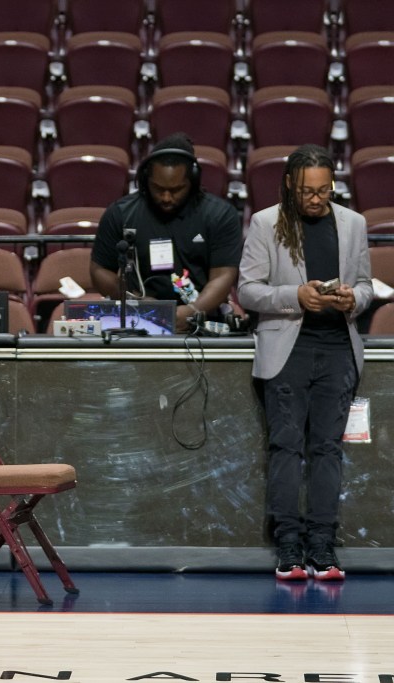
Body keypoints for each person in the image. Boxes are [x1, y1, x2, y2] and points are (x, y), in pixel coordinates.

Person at [237, 144, 372, 582]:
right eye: (306, 192)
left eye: (323, 190)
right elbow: (249, 291)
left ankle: (323, 545)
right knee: (286, 448)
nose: (316, 199)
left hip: (338, 347)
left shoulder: (353, 223)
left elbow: (368, 284)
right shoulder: (266, 222)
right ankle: (288, 547)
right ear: (290, 187)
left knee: (328, 450)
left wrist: (356, 297)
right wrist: (295, 296)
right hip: (287, 351)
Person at [90, 133, 243, 332]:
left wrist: (191, 310)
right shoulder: (121, 213)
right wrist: (136, 300)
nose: (166, 197)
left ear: (193, 181)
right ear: (146, 180)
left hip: (199, 321)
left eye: (177, 189)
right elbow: (99, 270)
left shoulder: (219, 215)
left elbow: (223, 275)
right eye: (158, 188)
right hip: (137, 319)